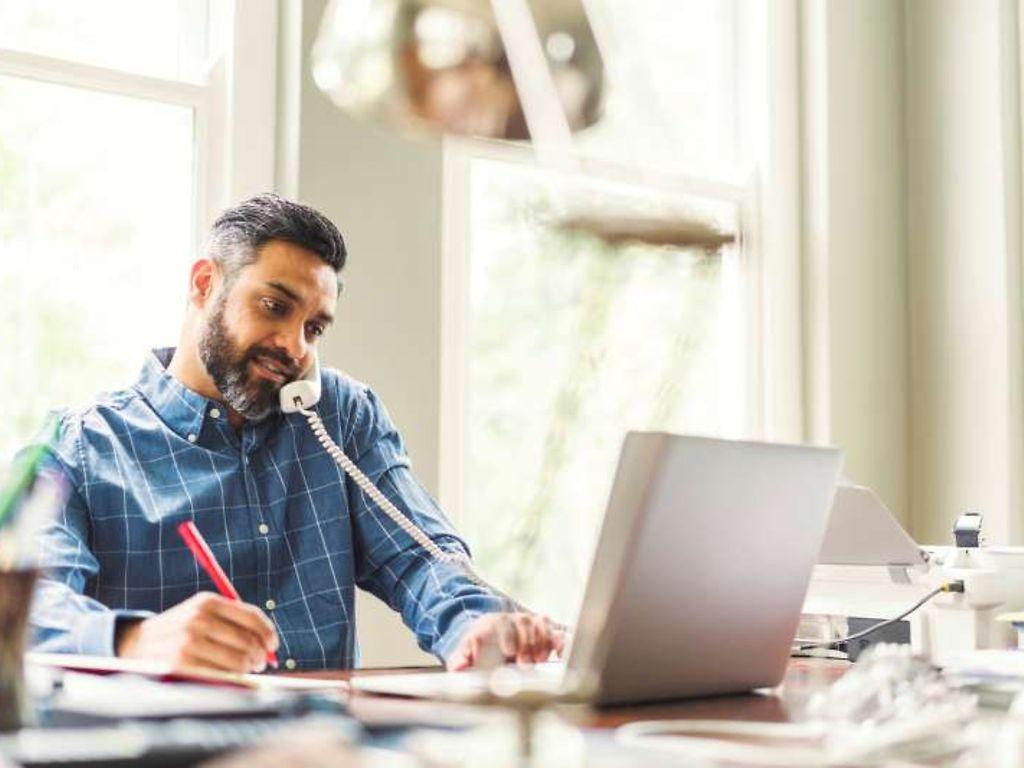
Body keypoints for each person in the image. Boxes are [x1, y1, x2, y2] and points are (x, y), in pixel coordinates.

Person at [29, 193, 563, 673]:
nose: (294, 346)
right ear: (204, 284)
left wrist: (473, 624)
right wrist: (133, 639)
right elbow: (27, 605)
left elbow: (419, 554)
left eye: (314, 327)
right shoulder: (77, 447)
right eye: (274, 306)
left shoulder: (340, 416)